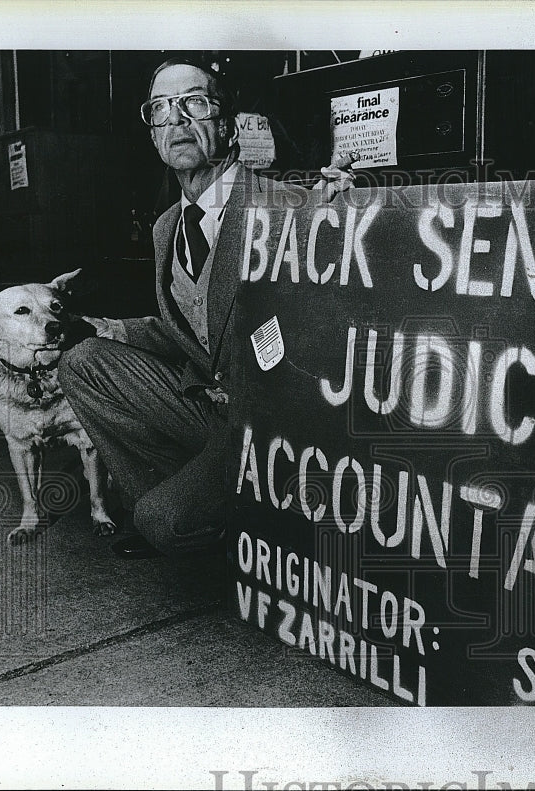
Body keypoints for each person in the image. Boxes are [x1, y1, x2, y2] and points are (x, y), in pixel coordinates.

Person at [60, 57, 352, 558]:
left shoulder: (291, 206)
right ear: (153, 136)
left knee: (163, 523)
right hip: (211, 410)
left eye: (193, 102)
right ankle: (180, 495)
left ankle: (239, 521)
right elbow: (191, 327)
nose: (176, 120)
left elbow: (342, 308)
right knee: (83, 362)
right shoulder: (167, 227)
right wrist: (94, 326)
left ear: (229, 127)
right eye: (160, 110)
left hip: (273, 424)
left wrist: (347, 214)